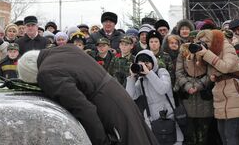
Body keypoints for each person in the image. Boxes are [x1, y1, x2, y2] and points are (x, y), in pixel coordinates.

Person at [18, 45, 158, 145]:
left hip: (109, 111)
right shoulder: (64, 49)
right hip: (119, 97)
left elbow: (83, 109)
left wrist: (101, 141)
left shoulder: (46, 73)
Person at [194, 29, 239, 145]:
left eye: (206, 41)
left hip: (234, 93)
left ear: (213, 40)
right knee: (223, 135)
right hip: (220, 94)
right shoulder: (210, 51)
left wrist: (206, 54)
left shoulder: (226, 46)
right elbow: (203, 73)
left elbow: (226, 67)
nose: (204, 44)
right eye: (201, 42)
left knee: (231, 135)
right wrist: (195, 58)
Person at [126, 50, 184, 145]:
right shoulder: (141, 80)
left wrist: (149, 73)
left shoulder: (161, 72)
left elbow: (163, 89)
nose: (144, 66)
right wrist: (131, 77)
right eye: (141, 63)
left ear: (153, 62)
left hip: (168, 118)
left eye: (147, 63)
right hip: (152, 122)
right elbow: (130, 96)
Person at [175, 41, 214, 145]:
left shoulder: (207, 52)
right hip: (188, 97)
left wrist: (198, 86)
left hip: (204, 97)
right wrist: (187, 86)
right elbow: (179, 72)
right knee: (189, 135)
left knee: (203, 135)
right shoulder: (183, 52)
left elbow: (211, 72)